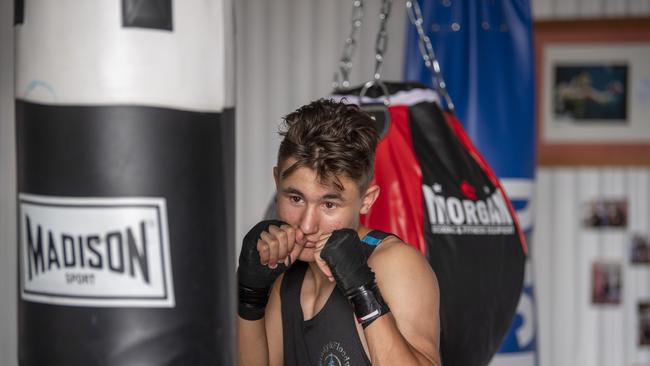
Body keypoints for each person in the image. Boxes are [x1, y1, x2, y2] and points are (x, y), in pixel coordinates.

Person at [237, 99, 441, 365]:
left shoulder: (395, 265)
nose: (307, 225)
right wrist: (249, 297)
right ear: (278, 183)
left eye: (329, 204)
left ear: (367, 200)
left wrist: (362, 289)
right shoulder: (283, 275)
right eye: (296, 199)